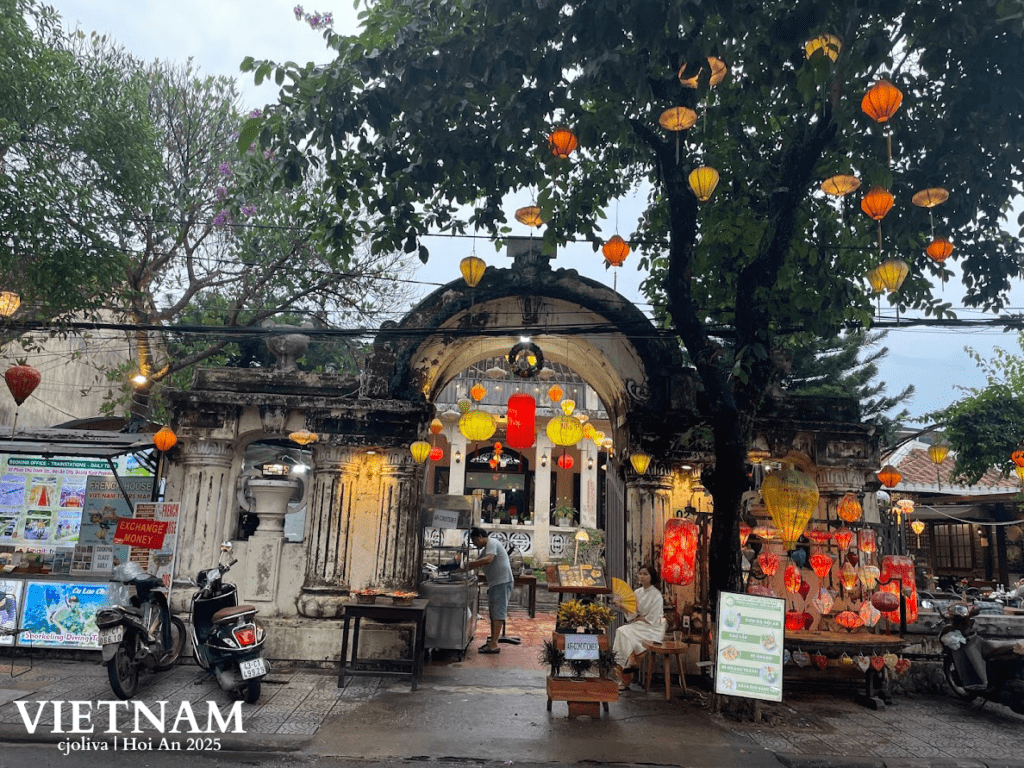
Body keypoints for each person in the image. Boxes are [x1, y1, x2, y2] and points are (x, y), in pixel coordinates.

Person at [611, 564, 666, 690]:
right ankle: (629, 664)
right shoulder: (637, 592)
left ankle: (627, 674)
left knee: (627, 633)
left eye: (645, 574)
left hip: (654, 627)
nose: (642, 576)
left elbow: (654, 617)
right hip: (639, 625)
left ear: (651, 577)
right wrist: (621, 605)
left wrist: (641, 618)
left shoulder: (656, 595)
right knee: (621, 631)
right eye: (640, 573)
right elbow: (632, 614)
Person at [460, 527, 513, 654]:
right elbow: (480, 562)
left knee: (498, 612)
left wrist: (469, 565)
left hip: (502, 582)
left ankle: (494, 644)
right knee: (494, 612)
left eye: (474, 541)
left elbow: (488, 559)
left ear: (479, 537)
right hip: (497, 583)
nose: (474, 544)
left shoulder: (492, 543)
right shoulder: (486, 549)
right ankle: (492, 641)